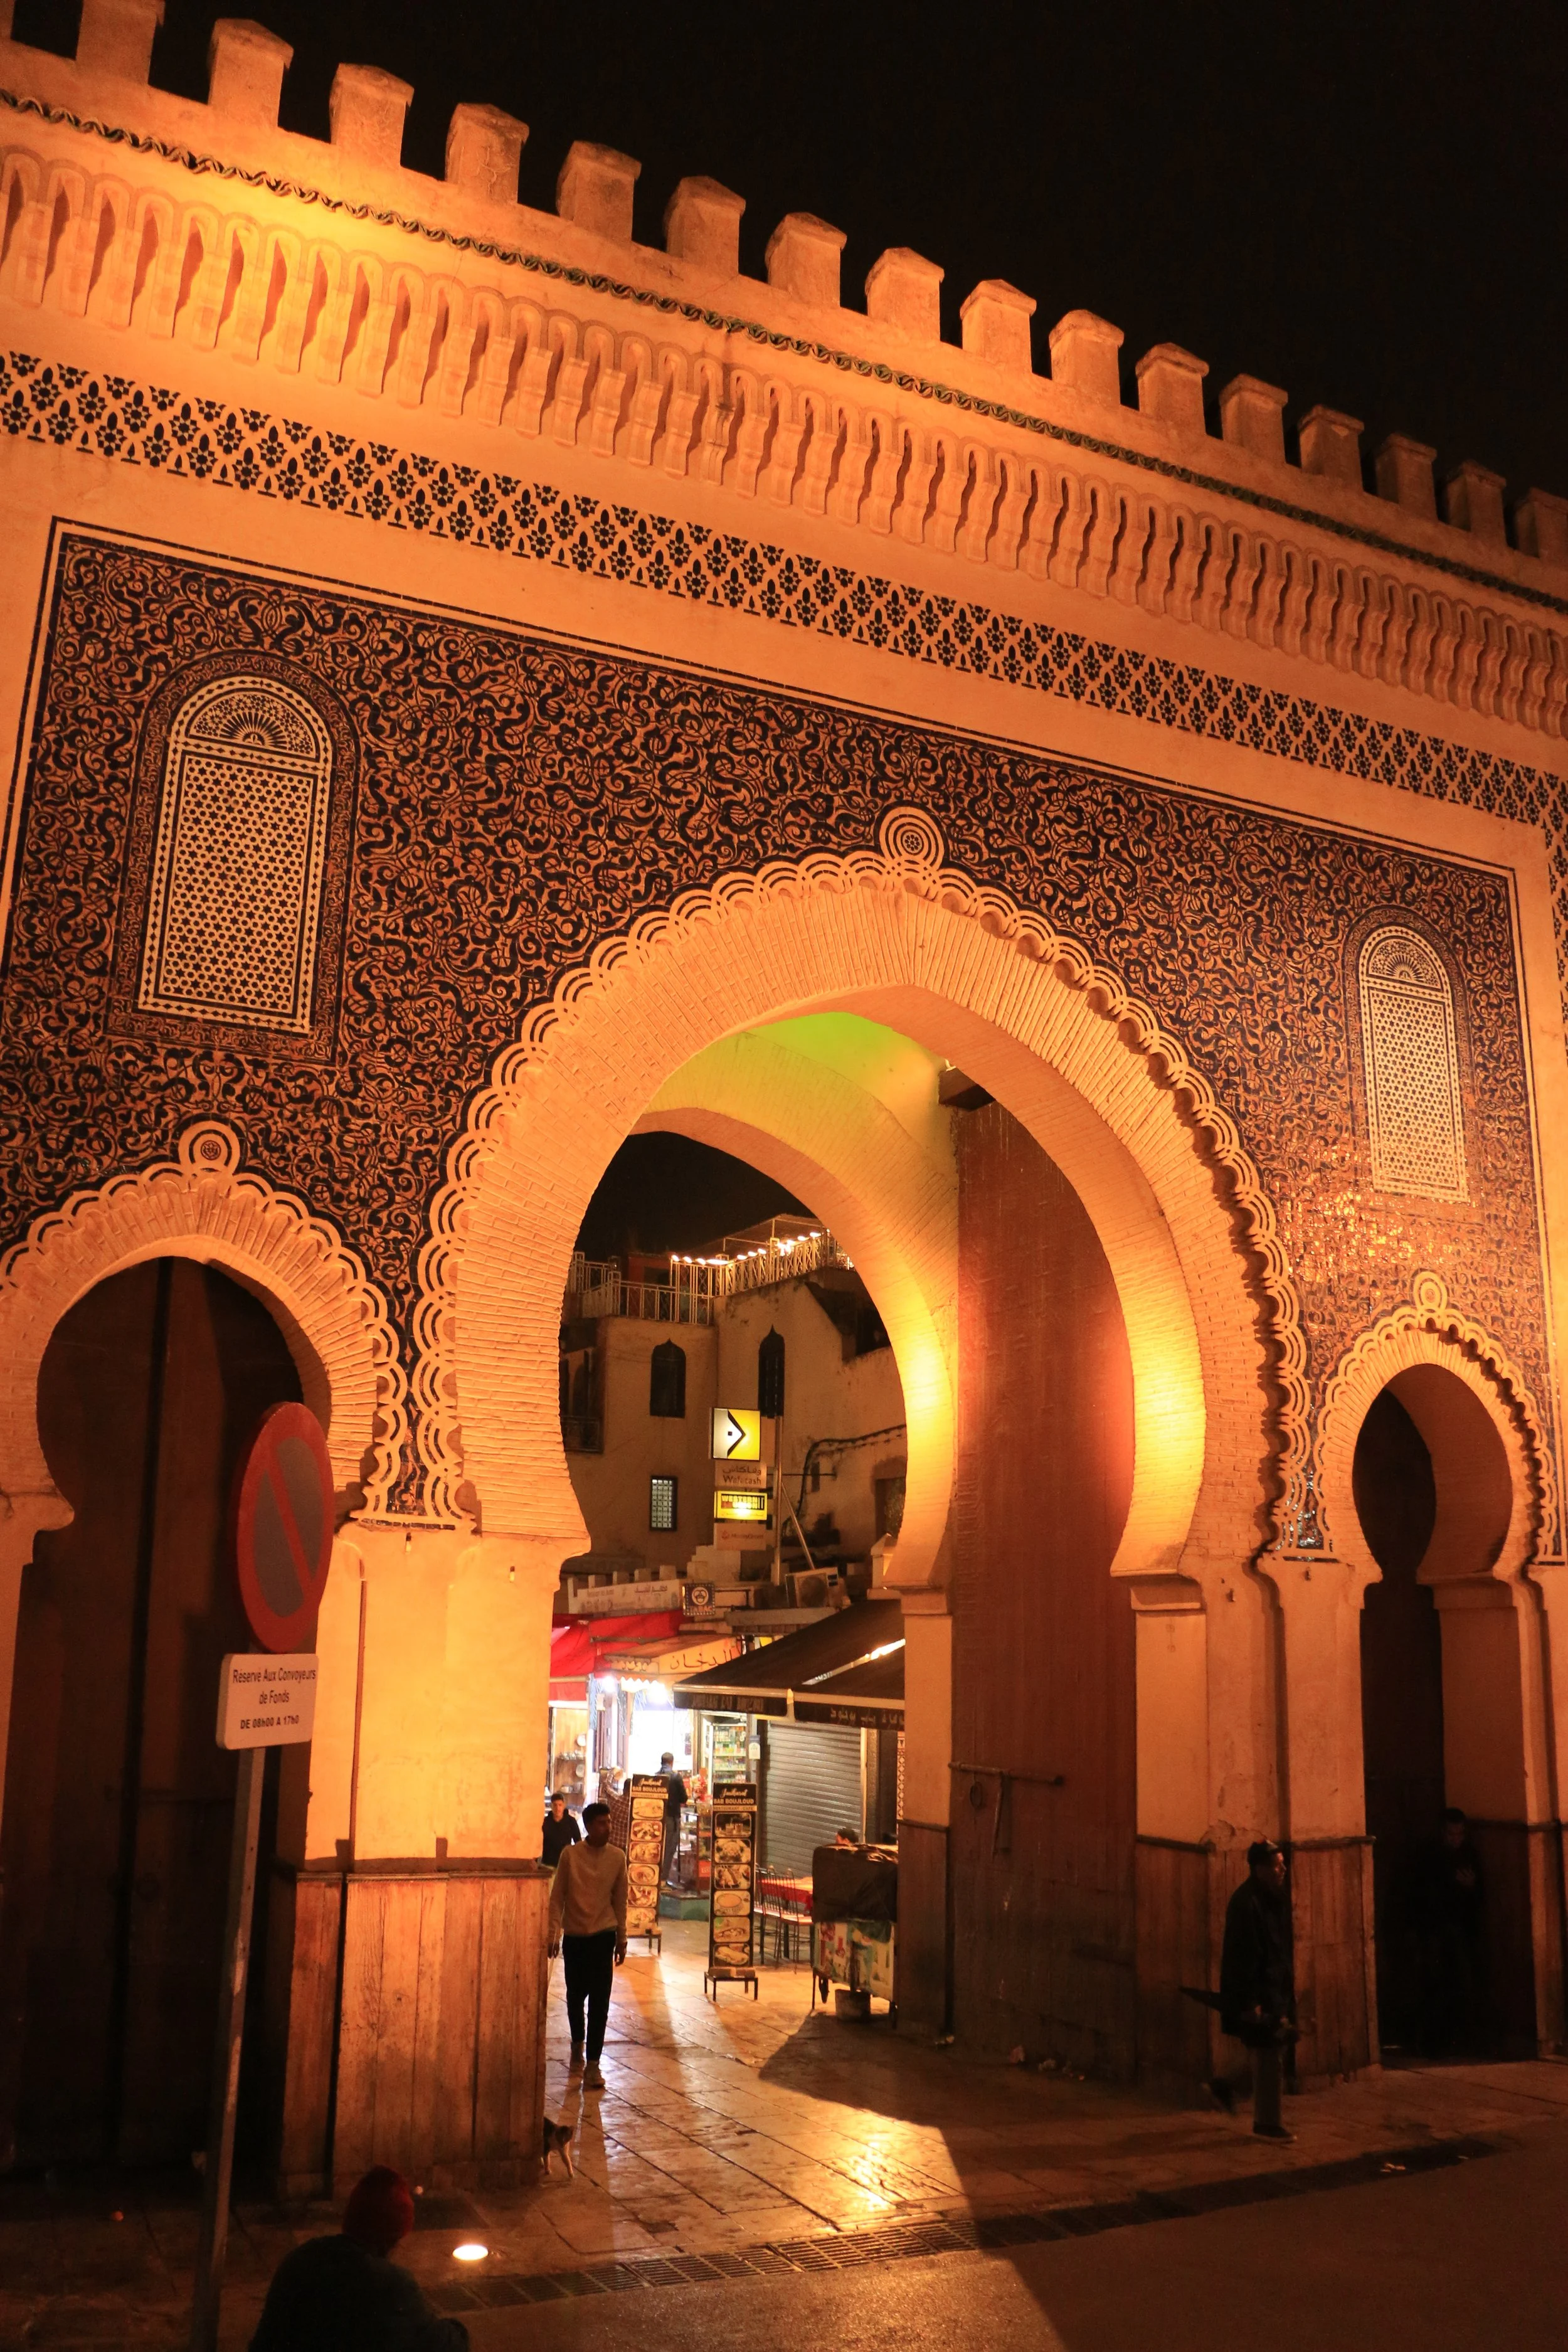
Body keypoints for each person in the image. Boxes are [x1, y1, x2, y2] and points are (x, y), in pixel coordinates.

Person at [250, 2164, 468, 2349]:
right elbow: (444, 2344)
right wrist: (458, 2330)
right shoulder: (390, 2285)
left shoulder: (300, 2259)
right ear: (392, 2239)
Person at [1210, 1840, 1296, 2140]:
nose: (1284, 1869)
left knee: (1270, 2048)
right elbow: (1244, 1957)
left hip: (1274, 1989)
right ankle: (1267, 2123)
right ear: (1260, 1870)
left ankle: (1227, 2086)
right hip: (1260, 1993)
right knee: (1269, 2050)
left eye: (1283, 1863)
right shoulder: (1247, 1904)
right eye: (1277, 1865)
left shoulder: (1272, 1898)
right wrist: (1252, 2002)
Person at [548, 1799, 628, 2089]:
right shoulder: (571, 1856)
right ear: (589, 1826)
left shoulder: (618, 1858)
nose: (608, 1827)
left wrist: (622, 1937)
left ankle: (593, 2064)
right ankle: (577, 2043)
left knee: (600, 2003)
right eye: (602, 1823)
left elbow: (620, 1900)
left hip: (603, 1936)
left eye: (609, 1822)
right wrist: (553, 1933)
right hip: (576, 1937)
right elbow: (558, 1897)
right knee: (574, 1997)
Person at [1417, 1805, 1485, 2053]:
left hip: (1463, 1928)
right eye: (1451, 1835)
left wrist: (1471, 1886)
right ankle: (1436, 2042)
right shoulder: (1431, 1856)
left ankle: (1462, 2038)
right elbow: (1426, 1894)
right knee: (1437, 1984)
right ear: (1442, 1834)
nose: (1456, 1840)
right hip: (1437, 1928)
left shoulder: (1470, 1855)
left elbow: (1480, 1894)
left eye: (1460, 1834)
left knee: (1463, 1983)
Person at [659, 1749, 688, 1886]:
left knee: (660, 1847)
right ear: (672, 1762)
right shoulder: (676, 1777)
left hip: (659, 1818)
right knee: (670, 1847)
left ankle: (658, 1875)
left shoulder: (656, 1776)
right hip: (672, 1817)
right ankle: (664, 1879)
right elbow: (684, 1798)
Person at [541, 1791, 581, 1868]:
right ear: (551, 1806)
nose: (558, 1808)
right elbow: (539, 1843)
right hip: (547, 1864)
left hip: (565, 1863)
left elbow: (578, 1843)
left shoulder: (571, 1821)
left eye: (560, 1805)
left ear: (564, 1806)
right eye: (555, 1805)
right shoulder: (545, 1822)